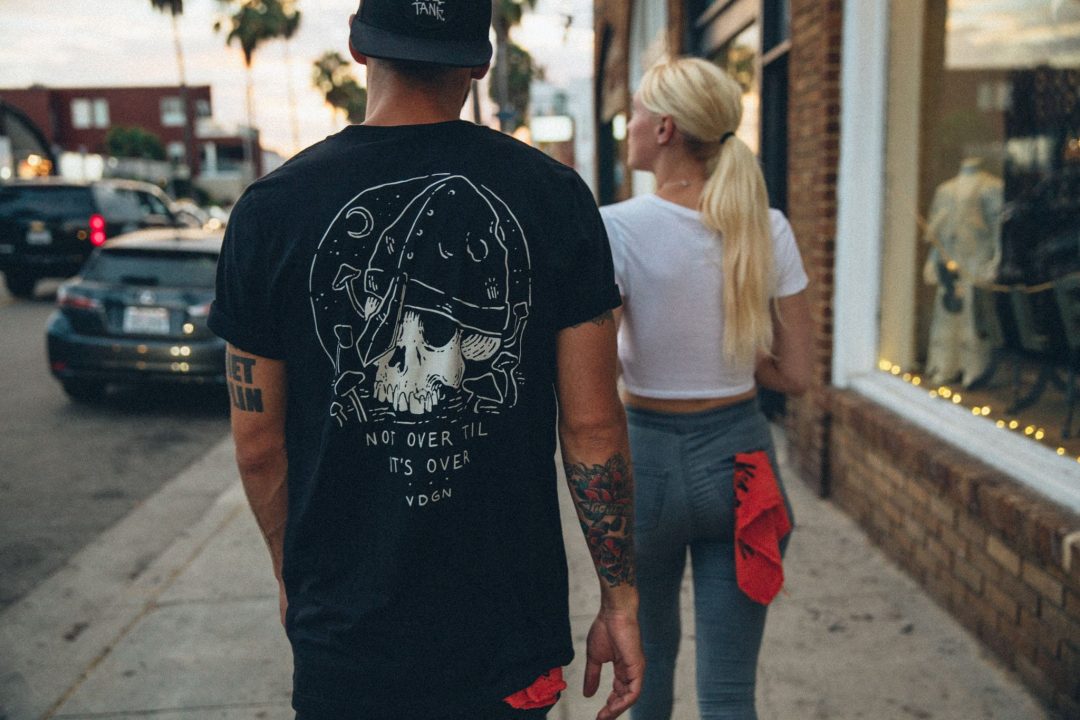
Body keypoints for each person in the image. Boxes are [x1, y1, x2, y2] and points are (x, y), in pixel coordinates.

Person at [208, 2, 644, 719]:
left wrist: (294, 576)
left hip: (345, 641)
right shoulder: (555, 197)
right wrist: (619, 599)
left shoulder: (270, 211)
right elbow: (593, 426)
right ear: (479, 62)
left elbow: (258, 444)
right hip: (508, 638)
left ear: (358, 47)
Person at [599, 57, 811, 720]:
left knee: (646, 672)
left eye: (637, 111)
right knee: (728, 692)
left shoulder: (616, 227)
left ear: (664, 129)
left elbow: (596, 375)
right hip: (742, 466)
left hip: (646, 464)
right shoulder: (767, 227)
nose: (629, 124)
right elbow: (796, 375)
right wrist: (734, 358)